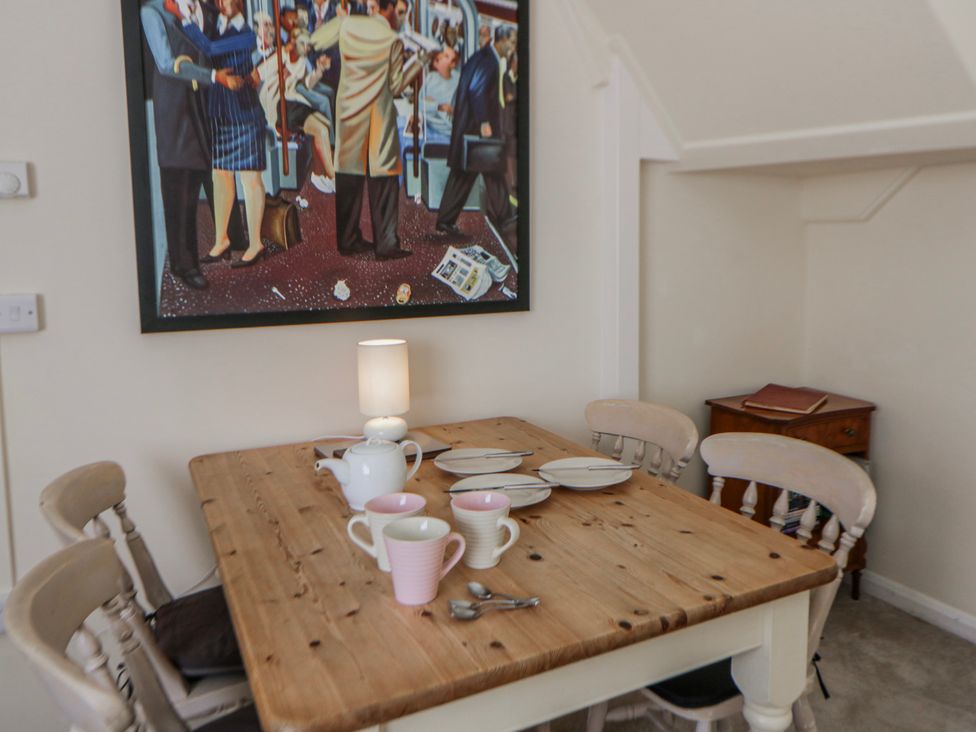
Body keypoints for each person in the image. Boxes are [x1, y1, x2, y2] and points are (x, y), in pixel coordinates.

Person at [139, 0, 247, 289]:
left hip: (210, 102)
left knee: (219, 169)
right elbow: (165, 64)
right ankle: (185, 265)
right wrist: (213, 77)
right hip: (177, 107)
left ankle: (233, 238)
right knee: (181, 181)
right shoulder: (153, 13)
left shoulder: (210, 9)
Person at [310, 0, 427, 259]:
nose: (400, 19)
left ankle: (348, 239)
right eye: (399, 13)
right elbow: (396, 86)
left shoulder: (346, 24)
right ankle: (386, 245)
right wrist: (419, 62)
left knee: (348, 177)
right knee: (383, 180)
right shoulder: (392, 41)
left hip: (349, 112)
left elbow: (315, 41)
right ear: (387, 9)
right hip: (378, 116)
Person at [184, 0, 268, 267]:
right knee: (220, 176)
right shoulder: (215, 25)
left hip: (244, 112)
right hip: (221, 112)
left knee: (250, 178)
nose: (222, 2)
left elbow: (209, 49)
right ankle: (222, 240)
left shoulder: (247, 33)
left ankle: (256, 243)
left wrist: (185, 19)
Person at [436, 25, 517, 239]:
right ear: (500, 41)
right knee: (485, 170)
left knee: (476, 174)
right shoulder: (489, 61)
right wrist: (483, 122)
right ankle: (505, 217)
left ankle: (447, 220)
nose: (513, 46)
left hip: (468, 127)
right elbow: (476, 90)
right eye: (511, 41)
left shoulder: (483, 57)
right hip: (475, 128)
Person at [421, 45, 459, 138]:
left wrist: (434, 104)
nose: (440, 57)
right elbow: (421, 103)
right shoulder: (431, 77)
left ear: (453, 64)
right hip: (428, 125)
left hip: (444, 131)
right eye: (442, 54)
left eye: (446, 56)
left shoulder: (458, 79)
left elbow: (450, 110)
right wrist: (438, 106)